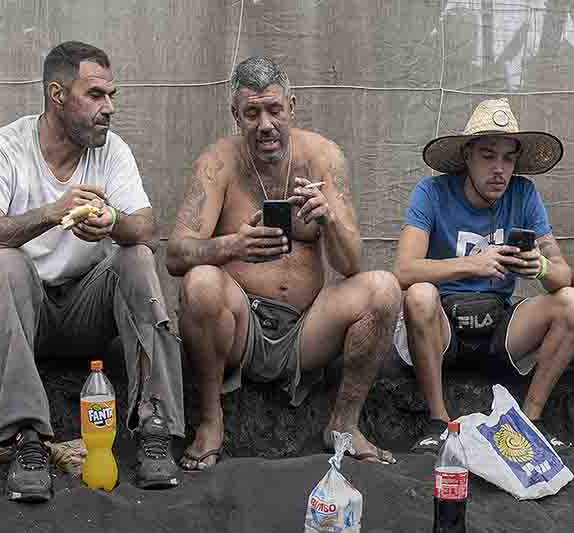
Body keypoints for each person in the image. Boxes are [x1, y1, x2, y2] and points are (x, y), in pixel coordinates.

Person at [0, 41, 184, 502]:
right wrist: (50, 213)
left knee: (137, 254)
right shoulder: (2, 149)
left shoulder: (112, 151)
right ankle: (26, 439)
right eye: (96, 95)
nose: (110, 108)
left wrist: (114, 224)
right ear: (57, 95)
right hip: (23, 314)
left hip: (85, 312)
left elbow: (147, 229)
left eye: (111, 95)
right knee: (2, 262)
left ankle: (155, 425)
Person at [168, 58, 400, 469]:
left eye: (274, 110)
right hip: (241, 327)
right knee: (201, 282)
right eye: (252, 113)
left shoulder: (324, 157)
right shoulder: (218, 161)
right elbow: (177, 254)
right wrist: (232, 245)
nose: (265, 125)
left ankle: (344, 425)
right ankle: (210, 420)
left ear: (291, 107)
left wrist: (328, 219)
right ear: (235, 115)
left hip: (307, 328)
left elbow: (350, 266)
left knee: (383, 288)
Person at [393, 99, 574, 451]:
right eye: (487, 155)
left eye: (508, 158)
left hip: (500, 324)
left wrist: (539, 267)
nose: (499, 169)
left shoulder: (523, 193)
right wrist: (472, 264)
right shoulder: (432, 192)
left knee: (573, 302)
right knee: (419, 294)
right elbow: (404, 270)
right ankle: (438, 421)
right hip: (443, 326)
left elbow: (563, 274)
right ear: (467, 156)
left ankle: (531, 421)